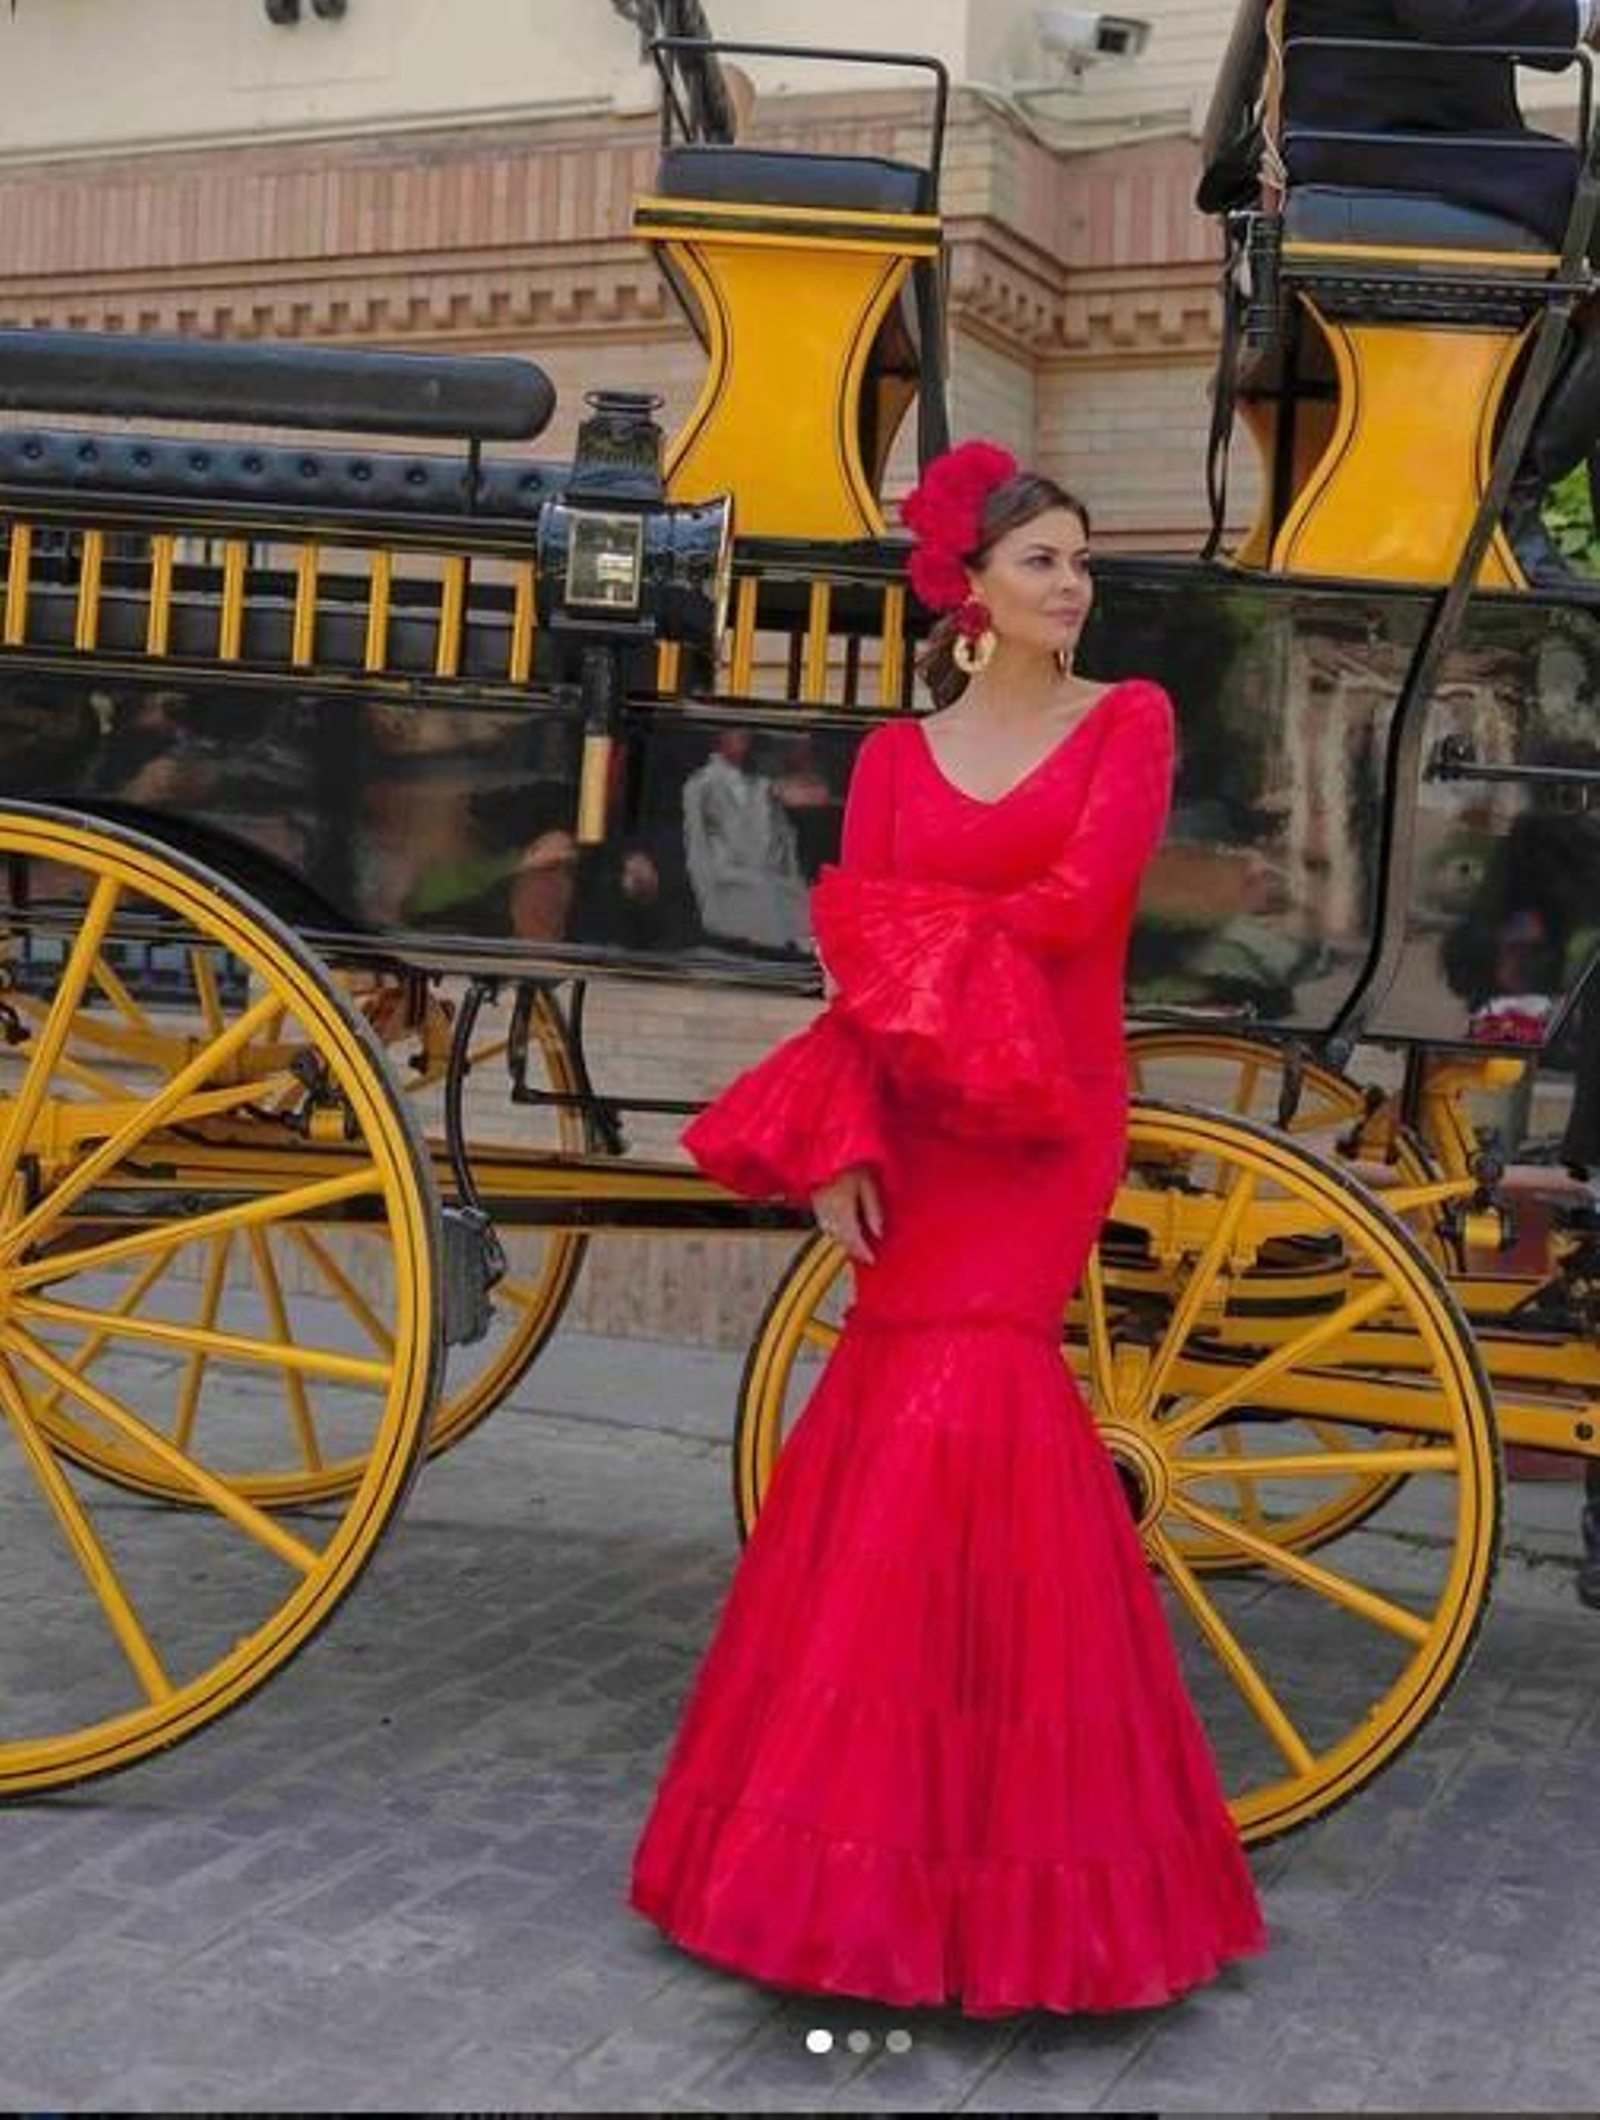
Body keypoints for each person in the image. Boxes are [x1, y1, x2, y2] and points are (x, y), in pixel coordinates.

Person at [625, 440, 1268, 2015]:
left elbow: (1079, 902)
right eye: (1042, 559)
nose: (1073, 583)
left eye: (1079, 558)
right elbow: (852, 961)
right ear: (967, 590)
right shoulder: (896, 763)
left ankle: (1011, 1874)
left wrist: (908, 939)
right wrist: (842, 1124)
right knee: (896, 1426)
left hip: (1043, 1116)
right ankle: (855, 1864)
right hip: (913, 1111)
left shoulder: (1128, 721)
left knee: (975, 1402)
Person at [1202, 0, 1600, 586]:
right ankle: (1507, 503)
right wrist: (1585, 17)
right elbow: (1454, 13)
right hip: (1388, 147)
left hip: (1390, 140)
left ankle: (1510, 490)